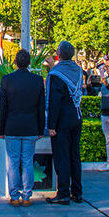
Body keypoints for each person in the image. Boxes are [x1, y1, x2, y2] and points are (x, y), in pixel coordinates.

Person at [0, 49, 45, 207]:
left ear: (15, 63)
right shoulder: (37, 80)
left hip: (12, 127)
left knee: (13, 162)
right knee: (27, 162)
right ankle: (26, 196)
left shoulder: (7, 80)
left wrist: (0, 130)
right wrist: (40, 129)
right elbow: (41, 108)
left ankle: (14, 196)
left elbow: (2, 108)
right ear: (30, 62)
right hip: (31, 127)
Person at [45, 41, 84, 205]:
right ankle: (77, 192)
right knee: (74, 156)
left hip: (62, 121)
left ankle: (63, 193)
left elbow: (55, 102)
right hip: (76, 117)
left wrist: (51, 125)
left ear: (58, 54)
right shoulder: (78, 70)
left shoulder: (56, 74)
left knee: (62, 157)